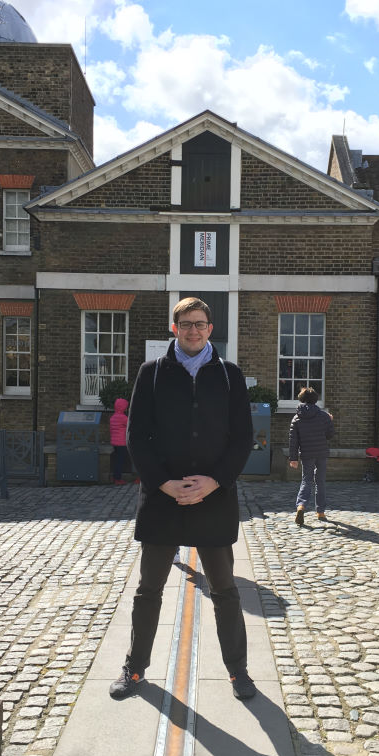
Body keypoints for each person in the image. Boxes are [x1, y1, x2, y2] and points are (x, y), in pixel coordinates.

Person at [109, 297, 255, 700]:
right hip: (162, 498)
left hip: (214, 497)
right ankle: (134, 668)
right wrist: (161, 483)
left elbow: (242, 437)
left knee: (225, 590)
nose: (194, 330)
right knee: (148, 589)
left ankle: (238, 671)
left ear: (211, 328)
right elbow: (137, 436)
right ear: (174, 328)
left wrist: (215, 481)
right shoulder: (152, 373)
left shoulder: (229, 374)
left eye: (201, 324)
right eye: (186, 324)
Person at [288, 386, 335, 525]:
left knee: (306, 480)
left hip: (307, 454)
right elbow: (330, 435)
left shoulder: (296, 418)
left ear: (301, 400)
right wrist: (330, 421)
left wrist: (293, 458)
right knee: (320, 482)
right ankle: (320, 512)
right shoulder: (324, 416)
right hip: (321, 452)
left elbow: (293, 441)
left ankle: (301, 506)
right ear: (315, 399)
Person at [109, 397, 129, 485]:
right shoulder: (123, 418)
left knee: (117, 460)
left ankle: (115, 477)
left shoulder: (112, 418)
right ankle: (118, 479)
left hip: (114, 443)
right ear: (123, 407)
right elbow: (130, 425)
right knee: (120, 461)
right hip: (122, 443)